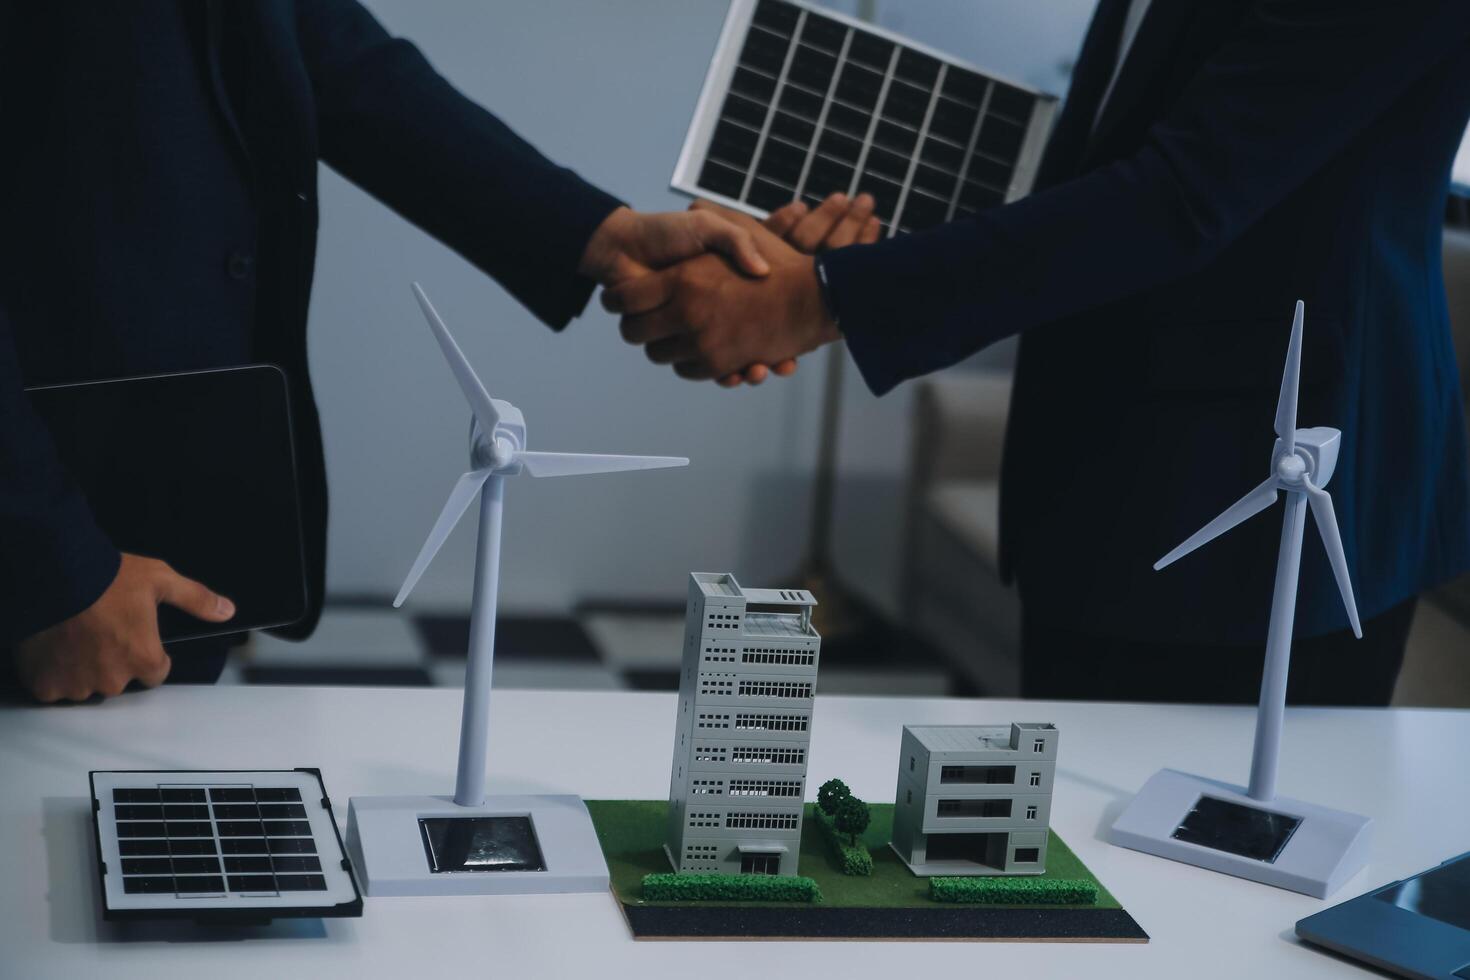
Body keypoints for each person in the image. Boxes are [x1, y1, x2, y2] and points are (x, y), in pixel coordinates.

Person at [607, 0, 1470, 704]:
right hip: (1098, 480)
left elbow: (1184, 197)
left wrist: (821, 295)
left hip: (1260, 511)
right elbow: (1121, 148)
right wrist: (854, 249)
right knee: (1068, 878)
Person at [0, 1, 780, 703]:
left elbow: (326, 48)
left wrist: (600, 234)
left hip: (156, 517)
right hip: (52, 547)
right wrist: (51, 563)